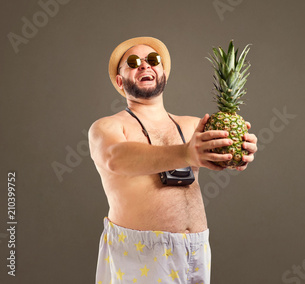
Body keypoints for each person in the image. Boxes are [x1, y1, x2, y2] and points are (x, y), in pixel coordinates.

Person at [89, 37, 258, 284]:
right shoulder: (107, 126)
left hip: (197, 251)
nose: (145, 66)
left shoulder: (192, 125)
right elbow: (116, 158)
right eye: (134, 62)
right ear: (119, 80)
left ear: (163, 73)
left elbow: (214, 153)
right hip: (142, 254)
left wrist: (239, 152)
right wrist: (187, 154)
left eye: (153, 60)